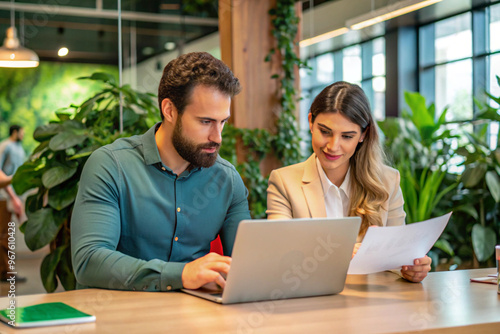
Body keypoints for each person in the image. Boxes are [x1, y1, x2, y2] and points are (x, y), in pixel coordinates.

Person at [71, 52, 251, 292]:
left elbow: (246, 264)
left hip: (195, 317)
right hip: (117, 315)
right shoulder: (110, 165)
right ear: (169, 110)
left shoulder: (227, 180)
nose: (217, 137)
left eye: (223, 122)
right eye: (205, 122)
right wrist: (181, 275)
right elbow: (89, 261)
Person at [266, 81, 431, 283]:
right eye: (325, 131)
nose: (333, 146)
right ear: (311, 122)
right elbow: (279, 254)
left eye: (347, 136)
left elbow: (397, 258)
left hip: (371, 308)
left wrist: (410, 269)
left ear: (363, 134)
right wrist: (340, 251)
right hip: (311, 303)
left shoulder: (388, 181)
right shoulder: (284, 182)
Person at [0, 125, 25, 282]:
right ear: (15, 132)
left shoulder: (18, 148)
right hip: (3, 195)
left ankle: (6, 271)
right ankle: (5, 272)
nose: (23, 134)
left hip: (11, 195)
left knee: (6, 233)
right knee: (4, 234)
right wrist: (12, 196)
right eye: (22, 132)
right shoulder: (5, 146)